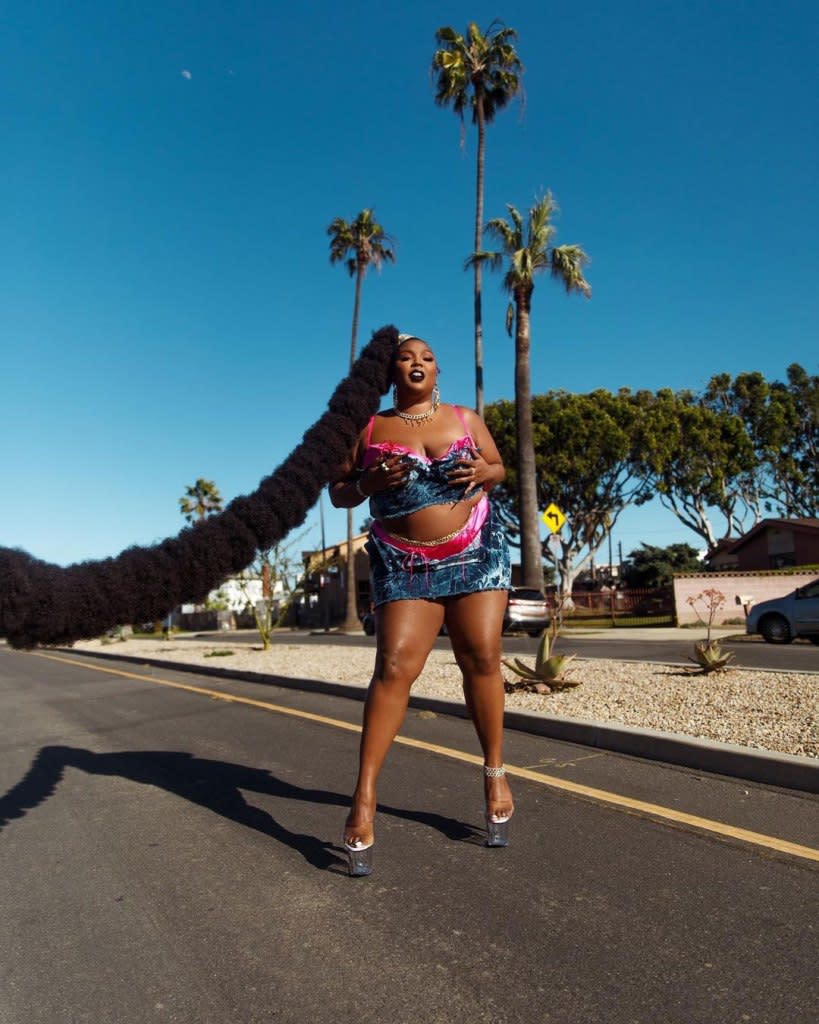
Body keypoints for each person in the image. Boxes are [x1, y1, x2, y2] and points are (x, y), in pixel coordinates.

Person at [329, 333, 514, 876]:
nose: (417, 363)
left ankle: (495, 771)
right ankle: (364, 795)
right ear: (391, 373)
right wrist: (367, 479)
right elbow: (339, 490)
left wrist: (484, 472)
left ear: (438, 372)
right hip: (403, 559)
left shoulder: (465, 418)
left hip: (477, 548)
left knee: (480, 655)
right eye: (406, 358)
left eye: (427, 357)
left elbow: (498, 467)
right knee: (393, 666)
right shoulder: (370, 428)